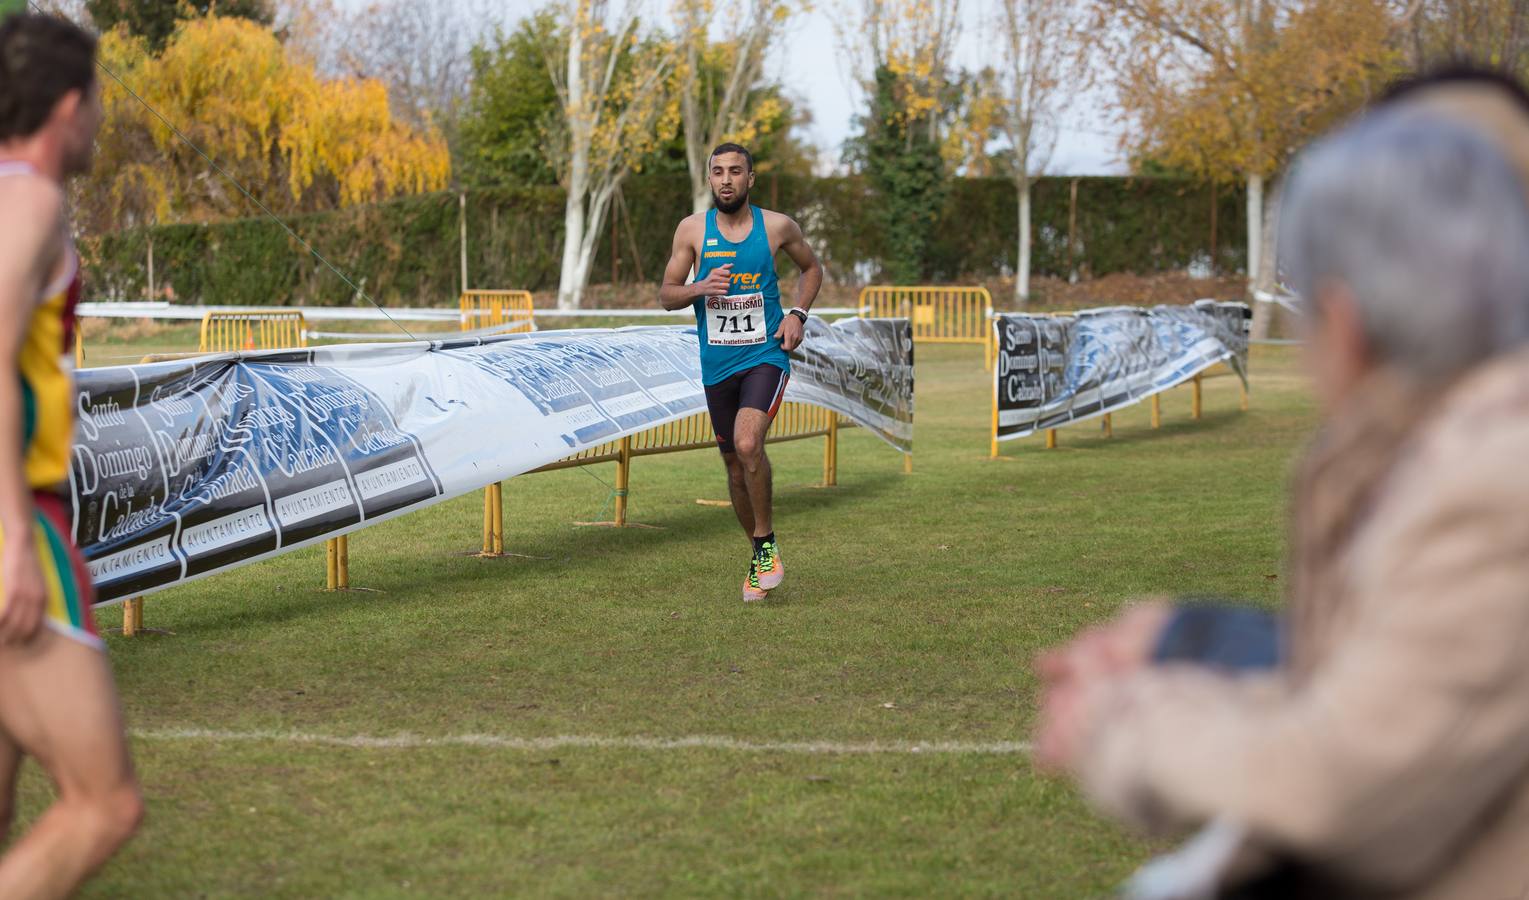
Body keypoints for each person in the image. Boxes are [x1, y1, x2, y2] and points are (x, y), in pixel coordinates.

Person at [1035, 79, 1529, 898]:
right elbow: (1376, 695)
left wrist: (1119, 724)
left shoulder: (1487, 482)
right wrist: (1178, 649)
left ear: (1341, 323)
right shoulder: (1459, 453)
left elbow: (1341, 779)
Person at [0, 13, 143, 898]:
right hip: (19, 519)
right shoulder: (34, 200)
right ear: (66, 105)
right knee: (104, 804)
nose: (99, 117)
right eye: (96, 98)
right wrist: (13, 533)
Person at [659, 143, 824, 602]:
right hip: (717, 365)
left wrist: (797, 314)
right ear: (709, 179)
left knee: (750, 443)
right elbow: (667, 294)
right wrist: (700, 287)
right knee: (733, 465)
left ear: (750, 179)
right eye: (718, 172)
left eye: (735, 171)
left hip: (764, 357)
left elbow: (811, 268)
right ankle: (758, 555)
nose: (726, 179)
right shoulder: (692, 230)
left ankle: (766, 542)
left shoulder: (776, 226)